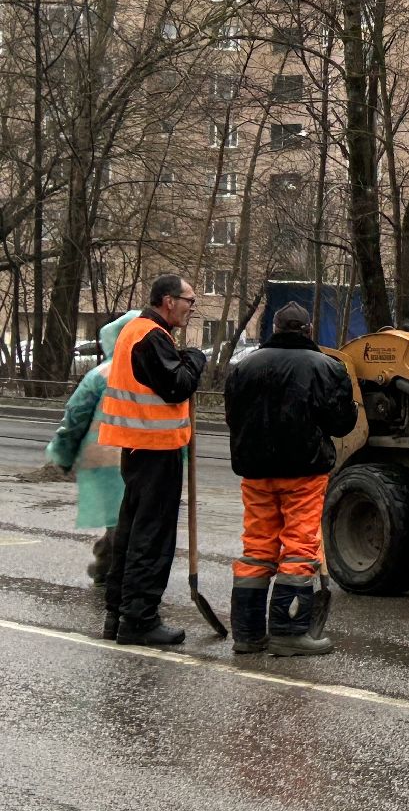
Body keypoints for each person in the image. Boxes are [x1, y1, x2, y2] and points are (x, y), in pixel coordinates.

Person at [224, 302, 357, 656]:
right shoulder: (327, 367)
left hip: (255, 472)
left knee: (257, 546)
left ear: (275, 327)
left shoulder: (242, 367)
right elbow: (343, 423)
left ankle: (248, 634)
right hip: (304, 470)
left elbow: (232, 418)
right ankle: (289, 631)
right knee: (299, 547)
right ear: (309, 329)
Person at [98, 275, 207, 646]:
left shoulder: (140, 331)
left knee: (131, 531)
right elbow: (177, 384)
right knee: (151, 536)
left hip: (141, 447)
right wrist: (194, 359)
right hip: (155, 448)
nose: (192, 307)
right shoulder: (150, 336)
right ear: (166, 300)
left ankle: (119, 613)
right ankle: (139, 619)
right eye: (188, 300)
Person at [45, 311, 140, 585]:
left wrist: (63, 453)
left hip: (104, 458)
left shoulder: (99, 374)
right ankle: (114, 569)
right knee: (127, 519)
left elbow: (74, 416)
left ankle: (112, 565)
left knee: (122, 518)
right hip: (137, 457)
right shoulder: (155, 370)